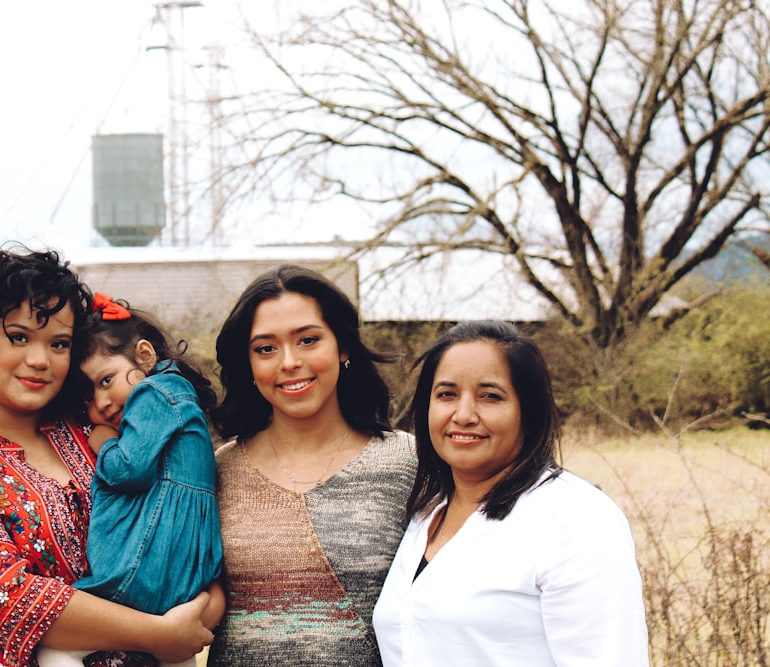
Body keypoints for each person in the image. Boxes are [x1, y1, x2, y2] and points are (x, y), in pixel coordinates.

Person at [0, 248, 216, 667]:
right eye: (19, 337)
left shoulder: (97, 424)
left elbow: (185, 517)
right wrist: (159, 634)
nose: (40, 360)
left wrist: (203, 606)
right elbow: (2, 597)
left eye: (59, 343)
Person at [372, 320, 650, 666]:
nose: (463, 414)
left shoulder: (577, 520)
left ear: (528, 411)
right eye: (446, 394)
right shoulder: (425, 512)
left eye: (490, 396)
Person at [207, 264, 417, 666]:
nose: (289, 362)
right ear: (249, 365)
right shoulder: (218, 470)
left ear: (343, 347)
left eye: (307, 340)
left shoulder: (407, 463)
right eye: (266, 348)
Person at [37, 293, 224, 667]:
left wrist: (105, 443)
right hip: (187, 575)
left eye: (106, 380)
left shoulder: (153, 394)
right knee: (172, 655)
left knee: (54, 648)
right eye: (89, 396)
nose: (102, 402)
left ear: (144, 356)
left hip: (145, 567)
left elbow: (129, 469)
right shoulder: (181, 402)